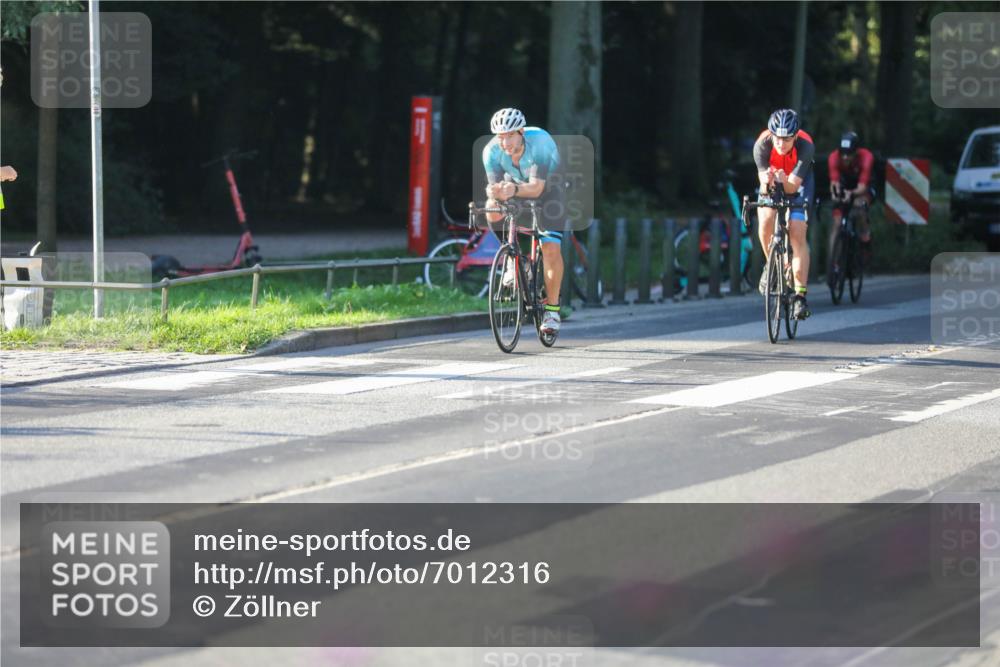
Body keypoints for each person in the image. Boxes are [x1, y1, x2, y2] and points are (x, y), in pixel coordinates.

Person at [482, 107, 564, 334]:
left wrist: (512, 189)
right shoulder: (491, 152)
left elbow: (537, 188)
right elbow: (496, 190)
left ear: (521, 131)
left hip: (549, 191)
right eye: (500, 136)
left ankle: (552, 310)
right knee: (491, 206)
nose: (505, 142)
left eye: (509, 135)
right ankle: (512, 257)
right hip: (517, 189)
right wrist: (495, 192)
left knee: (550, 247)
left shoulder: (540, 142)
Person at [753, 108, 815, 320]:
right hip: (774, 180)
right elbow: (764, 187)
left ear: (795, 136)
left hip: (799, 183)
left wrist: (782, 180)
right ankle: (770, 263)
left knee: (797, 232)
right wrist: (769, 181)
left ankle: (800, 295)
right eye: (777, 139)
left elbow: (791, 188)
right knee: (765, 219)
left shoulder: (805, 146)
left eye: (786, 140)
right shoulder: (762, 144)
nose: (780, 144)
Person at [827, 131, 875, 271]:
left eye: (849, 154)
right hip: (845, 184)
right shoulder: (834, 158)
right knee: (836, 224)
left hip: (863, 186)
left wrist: (852, 194)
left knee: (860, 206)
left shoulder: (866, 157)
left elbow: (862, 186)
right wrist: (836, 194)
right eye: (843, 153)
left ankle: (865, 237)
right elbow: (834, 182)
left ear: (856, 152)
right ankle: (833, 264)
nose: (846, 157)